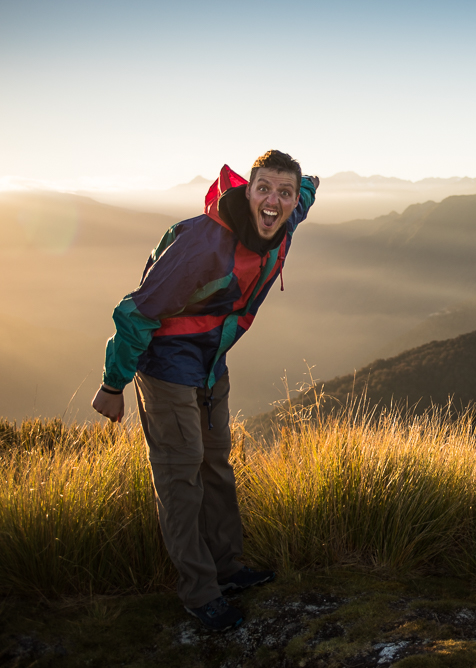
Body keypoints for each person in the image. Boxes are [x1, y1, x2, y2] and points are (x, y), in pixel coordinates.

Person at [92, 150, 319, 632]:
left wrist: (309, 184)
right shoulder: (202, 244)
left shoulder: (286, 216)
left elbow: (308, 192)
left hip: (213, 363)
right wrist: (113, 383)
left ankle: (228, 567)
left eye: (285, 193)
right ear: (247, 190)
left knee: (217, 463)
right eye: (265, 189)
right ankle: (199, 592)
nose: (275, 201)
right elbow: (135, 312)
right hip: (167, 365)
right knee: (182, 475)